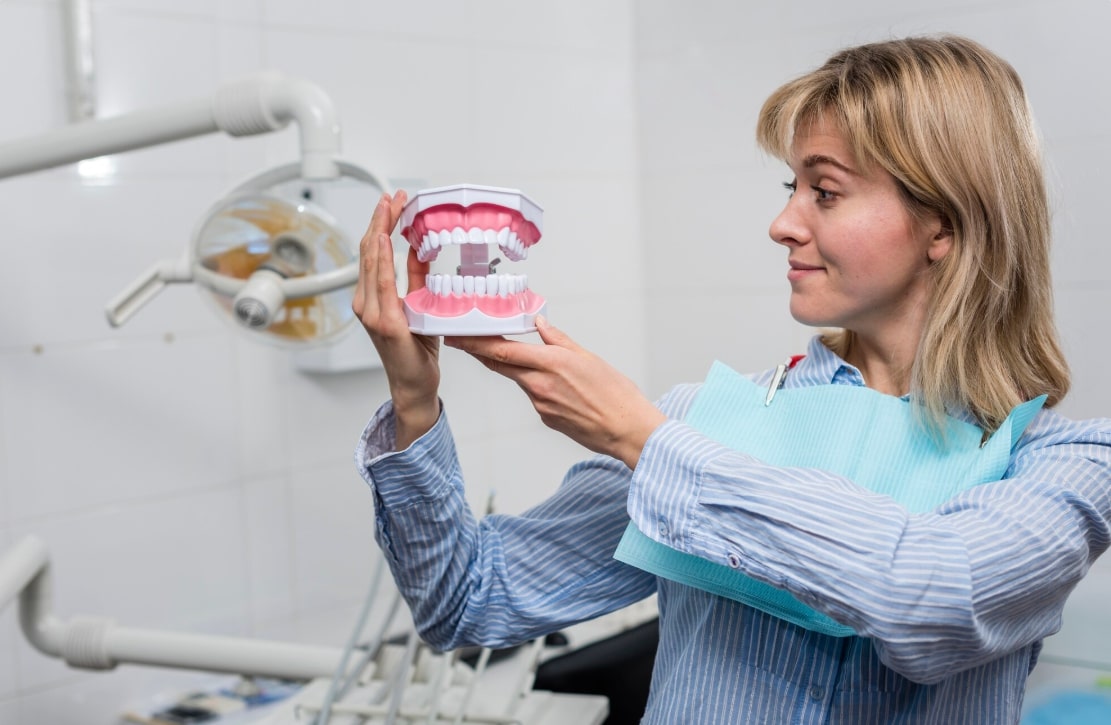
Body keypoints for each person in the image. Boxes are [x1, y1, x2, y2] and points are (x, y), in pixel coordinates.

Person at [351, 34, 1111, 723]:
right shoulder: (705, 419)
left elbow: (934, 597)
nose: (783, 223)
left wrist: (643, 441)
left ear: (941, 223)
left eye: (824, 190)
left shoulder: (1060, 466)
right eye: (790, 188)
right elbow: (469, 600)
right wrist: (415, 402)